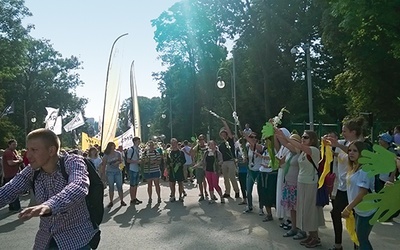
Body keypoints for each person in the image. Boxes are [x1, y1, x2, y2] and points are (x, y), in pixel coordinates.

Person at [0, 128, 97, 249]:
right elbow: (8, 190)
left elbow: (78, 185)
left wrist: (49, 206)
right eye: (28, 149)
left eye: (34, 150)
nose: (28, 155)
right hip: (45, 240)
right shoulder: (32, 170)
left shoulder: (72, 161)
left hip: (77, 240)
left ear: (51, 150)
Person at [276, 129, 324, 248]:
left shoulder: (314, 150)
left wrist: (287, 137)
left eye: (306, 137)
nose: (303, 138)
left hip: (310, 184)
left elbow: (296, 144)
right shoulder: (302, 152)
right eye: (302, 137)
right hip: (301, 183)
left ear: (312, 140)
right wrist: (279, 135)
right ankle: (311, 235)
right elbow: (287, 145)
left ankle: (315, 237)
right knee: (304, 211)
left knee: (310, 211)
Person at [325, 116, 367, 250]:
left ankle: (357, 246)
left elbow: (355, 155)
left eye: (345, 131)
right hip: (343, 187)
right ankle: (338, 244)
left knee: (355, 218)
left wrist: (337, 145)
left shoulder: (363, 146)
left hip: (357, 187)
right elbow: (336, 165)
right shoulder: (341, 144)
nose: (342, 133)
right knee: (335, 213)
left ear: (353, 132)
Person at [341, 141, 376, 250]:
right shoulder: (354, 167)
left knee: (362, 239)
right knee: (358, 238)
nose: (351, 153)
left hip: (367, 210)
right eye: (350, 150)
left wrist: (348, 208)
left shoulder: (364, 170)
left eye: (355, 151)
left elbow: (363, 193)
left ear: (362, 153)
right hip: (358, 209)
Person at [279, 134, 302, 237]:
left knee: (298, 208)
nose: (290, 143)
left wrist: (279, 135)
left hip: (296, 184)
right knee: (292, 208)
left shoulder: (299, 152)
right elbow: (280, 163)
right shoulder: (289, 153)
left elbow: (286, 144)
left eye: (293, 141)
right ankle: (293, 228)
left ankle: (301, 228)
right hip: (288, 183)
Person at [100, 142, 126, 208]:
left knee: (119, 186)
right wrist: (102, 174)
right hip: (110, 172)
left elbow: (121, 161)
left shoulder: (118, 153)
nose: (113, 147)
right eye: (112, 146)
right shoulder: (106, 155)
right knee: (111, 187)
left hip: (117, 171)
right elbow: (104, 164)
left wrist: (118, 162)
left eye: (114, 146)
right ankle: (111, 201)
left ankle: (122, 200)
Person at [243, 132, 264, 214]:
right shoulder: (248, 147)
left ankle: (261, 208)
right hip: (250, 170)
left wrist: (245, 135)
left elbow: (254, 145)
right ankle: (249, 206)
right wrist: (246, 159)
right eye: (251, 137)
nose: (252, 138)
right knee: (248, 190)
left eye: (254, 137)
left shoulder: (260, 147)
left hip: (259, 171)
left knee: (260, 190)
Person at [218, 119, 240, 199]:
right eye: (222, 134)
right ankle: (227, 192)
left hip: (231, 161)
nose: (223, 135)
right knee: (225, 178)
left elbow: (229, 132)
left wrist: (225, 123)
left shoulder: (230, 141)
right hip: (224, 162)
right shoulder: (221, 145)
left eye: (224, 133)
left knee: (232, 177)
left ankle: (237, 191)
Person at [2, 139, 23, 212]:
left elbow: (19, 158)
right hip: (10, 174)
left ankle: (12, 207)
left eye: (15, 144)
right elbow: (10, 163)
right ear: (9, 145)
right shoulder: (8, 152)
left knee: (11, 191)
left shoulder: (14, 151)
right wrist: (19, 161)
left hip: (14, 173)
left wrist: (19, 160)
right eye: (13, 144)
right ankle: (16, 207)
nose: (15, 146)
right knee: (14, 190)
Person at [166, 138, 186, 202]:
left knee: (180, 183)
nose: (173, 144)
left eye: (175, 143)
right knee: (172, 184)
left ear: (177, 144)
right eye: (172, 143)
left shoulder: (181, 152)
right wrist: (169, 164)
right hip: (172, 170)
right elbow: (167, 161)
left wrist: (180, 163)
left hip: (179, 170)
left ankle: (180, 196)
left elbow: (184, 160)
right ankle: (173, 196)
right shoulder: (169, 153)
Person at [190, 134, 209, 201]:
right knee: (200, 181)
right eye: (200, 139)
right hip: (199, 166)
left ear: (204, 139)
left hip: (207, 166)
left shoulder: (207, 146)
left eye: (202, 139)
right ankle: (202, 194)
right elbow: (191, 153)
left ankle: (206, 191)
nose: (201, 140)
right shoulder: (197, 147)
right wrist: (192, 146)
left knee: (206, 180)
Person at [127, 137, 143, 205]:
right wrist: (136, 161)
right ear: (134, 141)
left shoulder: (138, 149)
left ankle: (134, 197)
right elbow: (128, 160)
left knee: (136, 184)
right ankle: (132, 199)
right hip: (132, 168)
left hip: (137, 168)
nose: (139, 142)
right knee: (132, 184)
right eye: (138, 141)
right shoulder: (131, 149)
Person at [236, 137, 248, 205]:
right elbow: (237, 157)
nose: (241, 145)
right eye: (240, 143)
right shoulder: (238, 150)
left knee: (247, 186)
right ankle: (244, 199)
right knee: (242, 185)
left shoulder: (247, 149)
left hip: (246, 169)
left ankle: (249, 199)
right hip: (240, 169)